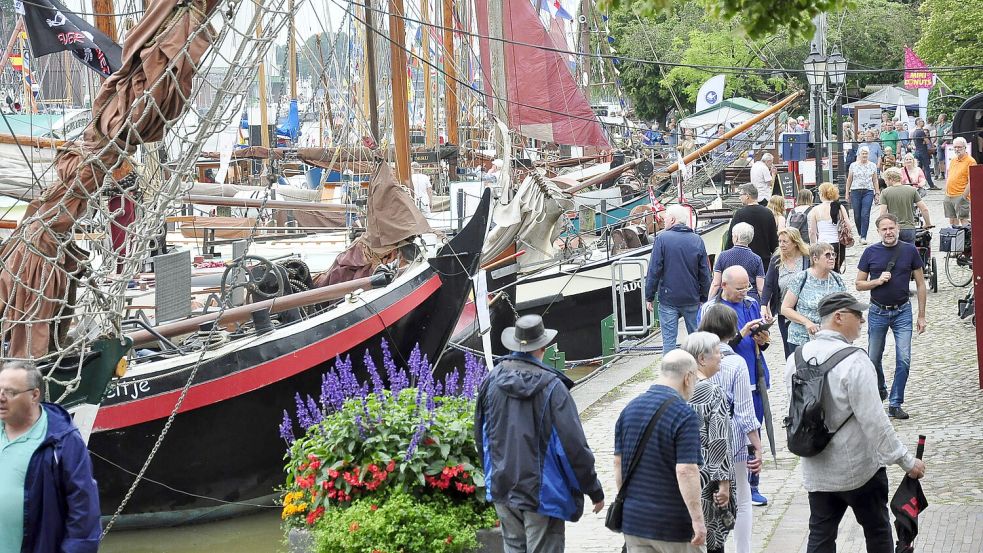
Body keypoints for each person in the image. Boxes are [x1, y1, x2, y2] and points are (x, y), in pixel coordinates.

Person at [785, 292, 926, 553]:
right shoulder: (855, 360)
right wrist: (907, 461)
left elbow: (794, 414)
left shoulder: (796, 358)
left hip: (817, 469)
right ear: (838, 317)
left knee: (820, 537)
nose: (863, 320)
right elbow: (876, 421)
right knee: (877, 532)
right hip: (859, 471)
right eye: (857, 315)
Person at [475, 315, 604, 551]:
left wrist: (493, 477)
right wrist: (593, 489)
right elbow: (573, 447)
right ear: (543, 347)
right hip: (543, 493)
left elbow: (481, 436)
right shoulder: (553, 388)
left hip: (504, 486)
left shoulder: (491, 380)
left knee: (513, 546)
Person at [0, 361, 101, 553]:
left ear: (34, 395)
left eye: (10, 392)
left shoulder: (62, 440)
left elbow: (83, 510)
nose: (1, 398)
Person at [614, 350, 706, 553]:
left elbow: (618, 464)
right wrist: (698, 520)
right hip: (673, 525)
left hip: (635, 522)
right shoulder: (684, 415)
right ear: (688, 377)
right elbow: (686, 470)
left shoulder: (629, 409)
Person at [698, 266, 771, 507]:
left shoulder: (751, 303)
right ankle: (726, 483)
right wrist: (741, 334)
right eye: (740, 288)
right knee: (727, 433)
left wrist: (763, 339)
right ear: (724, 286)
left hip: (754, 373)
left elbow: (760, 342)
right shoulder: (711, 310)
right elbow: (708, 344)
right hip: (727, 377)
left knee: (755, 427)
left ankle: (753, 485)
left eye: (747, 286)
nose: (744, 292)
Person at [698, 305, 763, 553]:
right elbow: (745, 412)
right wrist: (756, 445)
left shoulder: (694, 359)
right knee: (743, 499)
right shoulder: (735, 363)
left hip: (701, 440)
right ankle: (742, 549)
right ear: (732, 329)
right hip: (731, 439)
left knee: (706, 494)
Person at [856, 213, 927, 419]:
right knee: (873, 358)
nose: (888, 232)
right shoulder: (870, 252)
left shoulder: (909, 250)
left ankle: (895, 402)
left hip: (903, 311)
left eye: (891, 228)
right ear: (878, 232)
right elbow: (859, 284)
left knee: (903, 359)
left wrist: (921, 315)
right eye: (884, 229)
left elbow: (921, 284)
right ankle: (880, 388)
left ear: (897, 228)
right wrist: (876, 281)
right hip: (878, 311)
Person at [681, 333, 737, 553]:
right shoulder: (713, 392)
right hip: (707, 480)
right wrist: (724, 484)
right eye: (717, 352)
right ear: (701, 360)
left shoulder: (678, 390)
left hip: (682, 474)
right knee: (712, 540)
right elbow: (719, 440)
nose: (721, 356)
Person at [645, 204, 712, 354]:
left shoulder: (662, 239)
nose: (664, 221)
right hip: (691, 297)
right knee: (696, 339)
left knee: (668, 341)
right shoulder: (697, 240)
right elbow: (704, 272)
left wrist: (649, 295)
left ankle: (670, 374)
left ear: (673, 220)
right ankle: (700, 370)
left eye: (666, 218)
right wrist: (704, 297)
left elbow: (654, 269)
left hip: (669, 298)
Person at [781, 242, 847, 349]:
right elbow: (785, 308)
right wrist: (807, 322)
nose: (832, 258)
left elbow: (845, 306)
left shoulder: (837, 279)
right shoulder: (802, 278)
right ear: (815, 259)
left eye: (833, 255)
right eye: (827, 255)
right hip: (801, 339)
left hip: (828, 339)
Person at [762, 228, 810, 356]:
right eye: (780, 241)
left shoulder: (807, 258)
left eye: (785, 241)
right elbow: (768, 283)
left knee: (806, 348)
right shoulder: (777, 259)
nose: (781, 245)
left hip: (804, 310)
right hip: (785, 312)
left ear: (795, 242)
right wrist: (764, 305)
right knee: (789, 350)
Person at [724, 183, 780, 272]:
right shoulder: (768, 213)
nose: (739, 197)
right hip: (764, 261)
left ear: (747, 196)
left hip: (743, 261)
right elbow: (773, 240)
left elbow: (731, 239)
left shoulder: (740, 214)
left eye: (741, 194)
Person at [709, 222, 765, 302]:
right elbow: (761, 289)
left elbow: (716, 284)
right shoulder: (756, 259)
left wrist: (708, 302)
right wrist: (766, 307)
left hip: (728, 299)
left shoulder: (723, 256)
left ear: (736, 237)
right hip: (749, 300)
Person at [879, 167, 932, 243]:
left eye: (886, 180)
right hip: (909, 228)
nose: (886, 183)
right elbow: (924, 209)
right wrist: (928, 223)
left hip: (893, 228)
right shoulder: (911, 190)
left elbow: (882, 213)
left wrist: (882, 227)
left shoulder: (885, 192)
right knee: (909, 252)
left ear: (891, 179)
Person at [808, 183, 850, 272]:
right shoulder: (840, 207)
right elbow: (848, 226)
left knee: (823, 271)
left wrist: (813, 246)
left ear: (822, 194)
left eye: (819, 192)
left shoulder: (815, 209)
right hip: (838, 244)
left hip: (822, 243)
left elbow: (812, 231)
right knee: (836, 271)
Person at [844, 146, 880, 245]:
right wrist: (847, 192)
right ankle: (860, 233)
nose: (864, 155)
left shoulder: (872, 165)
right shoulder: (853, 165)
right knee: (857, 214)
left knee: (865, 214)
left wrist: (877, 192)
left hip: (868, 191)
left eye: (866, 153)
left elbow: (875, 180)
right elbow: (849, 179)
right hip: (855, 191)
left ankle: (863, 236)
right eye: (863, 153)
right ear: (859, 154)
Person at [945, 136, 977, 226]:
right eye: (955, 147)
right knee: (952, 220)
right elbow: (949, 175)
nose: (957, 149)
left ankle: (966, 239)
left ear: (965, 147)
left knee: (963, 220)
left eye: (959, 147)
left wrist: (963, 196)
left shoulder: (971, 161)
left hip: (961, 195)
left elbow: (972, 181)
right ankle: (955, 239)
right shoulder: (953, 160)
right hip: (949, 195)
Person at [910, 118, 938, 190]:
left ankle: (916, 184)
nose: (923, 122)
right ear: (918, 123)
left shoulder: (915, 132)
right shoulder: (921, 132)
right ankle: (931, 185)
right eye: (922, 121)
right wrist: (927, 142)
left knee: (918, 169)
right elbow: (927, 141)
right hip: (923, 152)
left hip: (917, 152)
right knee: (927, 169)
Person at [934, 113, 951, 180]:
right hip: (939, 144)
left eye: (939, 117)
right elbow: (936, 134)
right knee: (940, 159)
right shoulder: (938, 125)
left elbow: (950, 135)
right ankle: (942, 174)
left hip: (946, 144)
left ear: (942, 119)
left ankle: (948, 173)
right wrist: (933, 142)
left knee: (947, 159)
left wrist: (945, 142)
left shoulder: (949, 125)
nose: (938, 118)